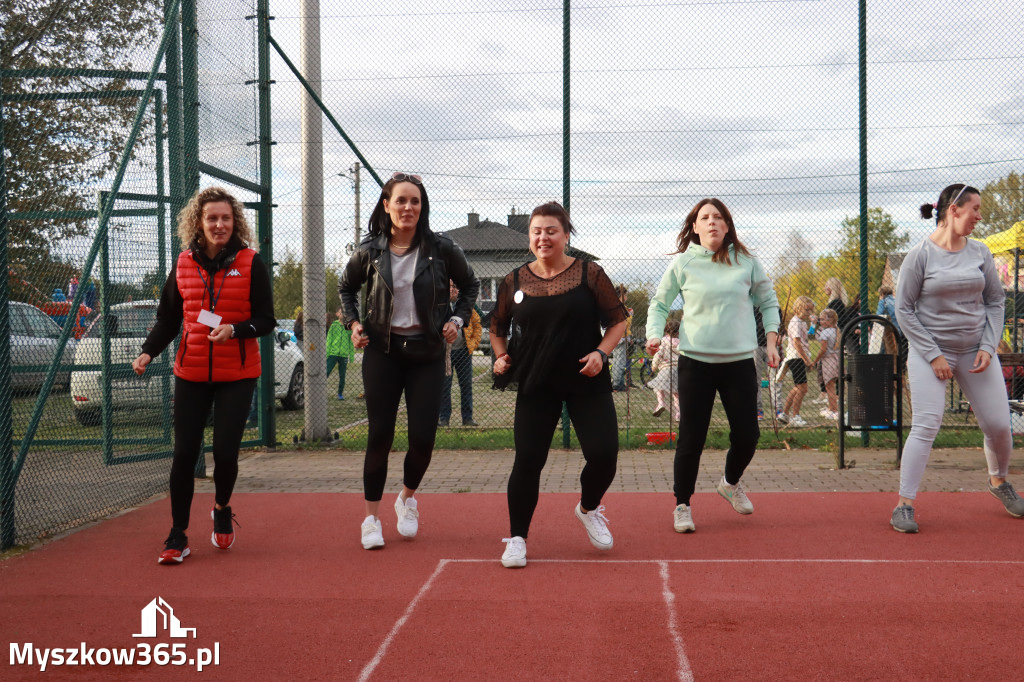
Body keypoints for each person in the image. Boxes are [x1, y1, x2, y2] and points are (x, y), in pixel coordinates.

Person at [132, 186, 275, 564]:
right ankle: (178, 533)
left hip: (238, 373)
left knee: (225, 453)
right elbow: (168, 318)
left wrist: (235, 330)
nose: (219, 224)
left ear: (235, 222)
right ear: (199, 221)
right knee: (184, 453)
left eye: (226, 218)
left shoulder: (250, 262)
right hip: (191, 371)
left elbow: (266, 319)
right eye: (212, 218)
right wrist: (148, 351)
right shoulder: (183, 264)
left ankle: (222, 507)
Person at [338, 172, 478, 550]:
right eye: (400, 201)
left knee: (422, 439)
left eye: (415, 201)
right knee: (379, 435)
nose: (408, 208)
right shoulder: (371, 250)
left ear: (422, 207)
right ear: (387, 205)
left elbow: (471, 286)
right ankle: (371, 519)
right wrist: (352, 323)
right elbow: (345, 287)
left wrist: (456, 319)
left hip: (427, 354)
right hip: (382, 353)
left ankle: (407, 498)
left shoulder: (443, 249)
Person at [491, 201, 627, 568]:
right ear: (529, 239)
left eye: (551, 230)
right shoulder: (514, 280)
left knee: (604, 454)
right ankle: (517, 537)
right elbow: (497, 328)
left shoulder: (590, 274)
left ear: (566, 235)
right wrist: (501, 356)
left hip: (586, 377)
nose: (543, 237)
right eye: (536, 231)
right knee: (528, 460)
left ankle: (587, 508)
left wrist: (601, 352)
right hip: (537, 382)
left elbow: (618, 321)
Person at [890, 183, 1024, 533]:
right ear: (954, 210)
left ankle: (999, 482)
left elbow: (996, 301)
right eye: (975, 209)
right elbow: (903, 310)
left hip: (975, 351)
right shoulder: (919, 255)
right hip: (929, 353)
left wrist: (988, 343)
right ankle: (904, 505)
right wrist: (934, 355)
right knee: (927, 424)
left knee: (998, 425)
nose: (980, 216)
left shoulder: (980, 252)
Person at [646, 198, 780, 534]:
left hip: (739, 363)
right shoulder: (684, 262)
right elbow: (660, 303)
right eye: (705, 217)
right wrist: (653, 335)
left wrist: (774, 341)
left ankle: (730, 483)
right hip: (695, 363)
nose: (712, 222)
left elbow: (768, 301)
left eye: (718, 217)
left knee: (748, 436)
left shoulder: (745, 260)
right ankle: (682, 505)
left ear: (727, 225)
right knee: (692, 437)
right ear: (695, 226)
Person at [439, 280, 482, 427]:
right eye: (450, 286)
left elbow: (478, 324)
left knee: (466, 385)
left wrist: (473, 344)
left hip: (463, 351)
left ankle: (467, 418)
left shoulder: (465, 306)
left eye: (455, 287)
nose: (453, 290)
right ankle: (444, 418)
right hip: (446, 353)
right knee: (445, 386)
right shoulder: (440, 306)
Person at [778, 296, 815, 427]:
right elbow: (796, 342)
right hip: (796, 357)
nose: (809, 313)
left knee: (797, 387)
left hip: (799, 357)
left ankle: (785, 414)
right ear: (799, 308)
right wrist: (806, 360)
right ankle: (795, 416)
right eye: (807, 309)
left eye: (811, 310)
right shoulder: (796, 322)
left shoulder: (802, 323)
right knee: (803, 388)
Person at [649, 318, 680, 420]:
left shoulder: (663, 341)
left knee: (659, 388)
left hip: (665, 369)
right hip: (678, 370)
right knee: (677, 395)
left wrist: (654, 366)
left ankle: (661, 403)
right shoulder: (681, 343)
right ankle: (678, 414)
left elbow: (658, 354)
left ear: (666, 330)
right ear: (679, 331)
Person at [812, 308, 840, 420]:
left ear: (830, 320)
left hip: (828, 360)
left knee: (829, 387)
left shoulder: (825, 332)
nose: (821, 322)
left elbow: (823, 349)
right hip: (836, 359)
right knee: (831, 386)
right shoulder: (836, 331)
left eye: (823, 319)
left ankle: (835, 410)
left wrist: (815, 361)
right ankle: (831, 408)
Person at [326, 306, 355, 400]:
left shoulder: (348, 327)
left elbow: (351, 342)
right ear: (337, 314)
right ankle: (320, 391)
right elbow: (329, 339)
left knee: (342, 376)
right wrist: (327, 352)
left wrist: (351, 356)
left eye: (344, 312)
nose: (342, 314)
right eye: (340, 312)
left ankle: (340, 394)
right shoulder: (334, 325)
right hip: (333, 353)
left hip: (344, 354)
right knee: (326, 372)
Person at [610, 284, 633, 391]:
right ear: (622, 295)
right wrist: (630, 315)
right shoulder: (620, 307)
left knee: (618, 360)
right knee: (619, 361)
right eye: (626, 294)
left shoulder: (616, 306)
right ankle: (617, 384)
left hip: (619, 337)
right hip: (621, 337)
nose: (627, 297)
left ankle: (619, 382)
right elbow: (624, 322)